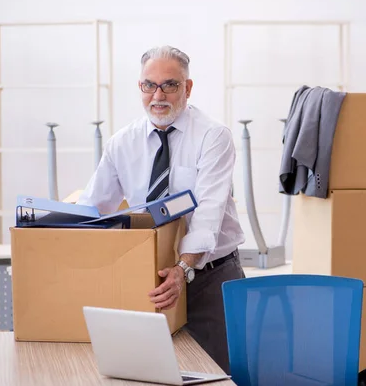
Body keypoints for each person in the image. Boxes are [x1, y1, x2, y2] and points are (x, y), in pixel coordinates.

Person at [77, 45, 246, 374]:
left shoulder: (213, 137)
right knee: (149, 374)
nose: (159, 95)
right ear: (140, 87)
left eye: (170, 84)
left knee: (214, 375)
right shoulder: (122, 143)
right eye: (149, 85)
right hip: (148, 278)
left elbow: (206, 220)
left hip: (210, 280)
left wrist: (182, 271)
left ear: (188, 87)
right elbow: (93, 209)